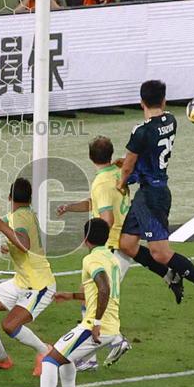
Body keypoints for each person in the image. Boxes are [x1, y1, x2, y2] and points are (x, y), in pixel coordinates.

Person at [116, 80, 194, 315]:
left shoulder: (140, 131)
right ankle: (169, 274)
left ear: (141, 102)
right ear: (163, 100)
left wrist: (122, 183)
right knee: (127, 244)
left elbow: (128, 166)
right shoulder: (170, 120)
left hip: (153, 195)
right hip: (150, 191)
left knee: (160, 252)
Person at [22, 218, 120, 387]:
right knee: (65, 358)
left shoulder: (91, 260)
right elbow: (99, 290)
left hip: (96, 327)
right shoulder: (111, 258)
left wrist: (96, 322)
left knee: (50, 360)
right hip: (109, 325)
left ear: (85, 239)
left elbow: (103, 289)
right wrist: (73, 296)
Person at [55, 136, 132, 369]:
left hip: (110, 247)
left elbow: (106, 217)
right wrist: (70, 207)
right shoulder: (117, 173)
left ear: (90, 157)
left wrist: (96, 242)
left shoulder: (101, 181)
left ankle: (98, 353)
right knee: (93, 299)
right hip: (121, 245)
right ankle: (106, 347)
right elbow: (96, 203)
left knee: (95, 299)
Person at [0, 178, 56, 376]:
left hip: (39, 286)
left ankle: (45, 351)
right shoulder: (21, 214)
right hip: (21, 282)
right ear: (30, 198)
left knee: (10, 325)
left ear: (9, 197)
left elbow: (23, 243)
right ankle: (1, 358)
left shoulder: (20, 218)